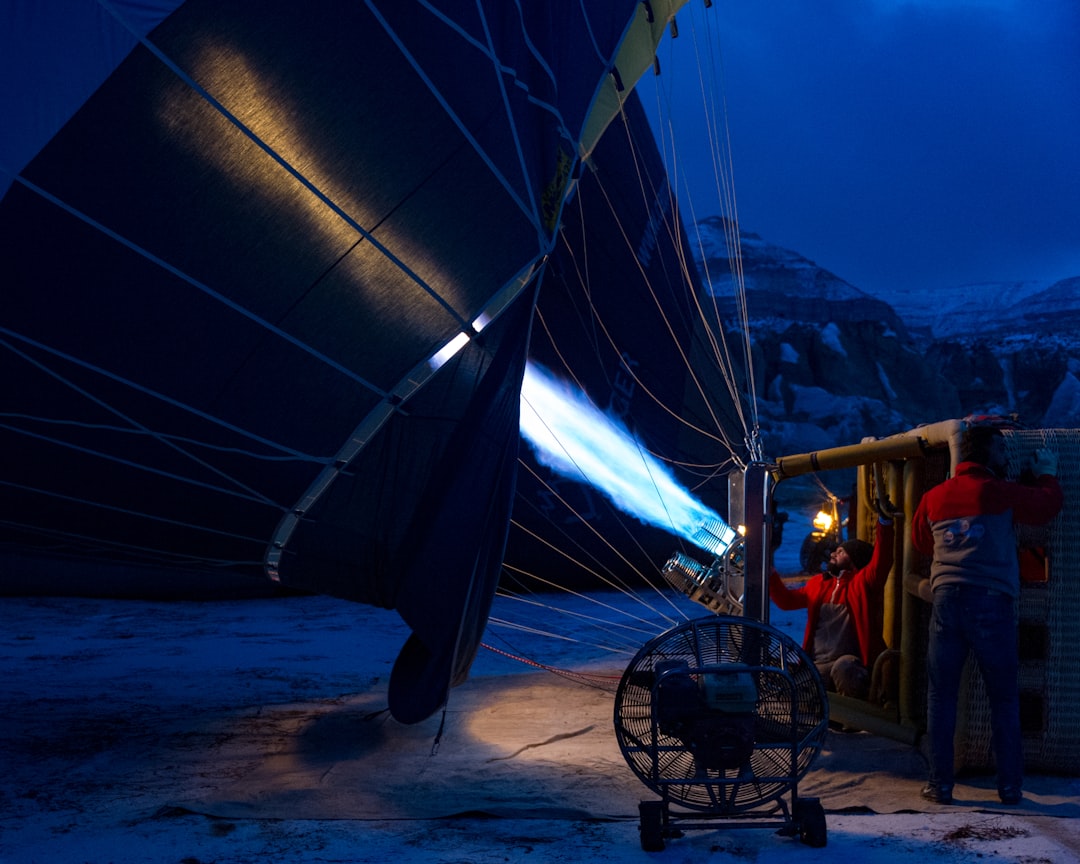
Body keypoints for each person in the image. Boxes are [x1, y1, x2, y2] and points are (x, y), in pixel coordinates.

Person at [911, 426, 1063, 806]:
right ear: (986, 453)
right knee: (1004, 698)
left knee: (941, 697)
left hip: (946, 601)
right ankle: (1009, 788)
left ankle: (939, 785)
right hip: (992, 602)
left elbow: (920, 541)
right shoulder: (997, 491)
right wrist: (1047, 472)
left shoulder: (933, 496)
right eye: (1000, 448)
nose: (1004, 456)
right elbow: (1047, 506)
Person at [770, 514, 895, 700]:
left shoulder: (862, 584)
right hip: (817, 663)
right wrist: (769, 571)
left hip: (849, 663)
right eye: (835, 551)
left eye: (841, 552)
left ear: (854, 560)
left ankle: (853, 719)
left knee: (844, 668)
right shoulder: (817, 584)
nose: (833, 554)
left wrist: (884, 524)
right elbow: (786, 601)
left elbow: (882, 560)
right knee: (787, 684)